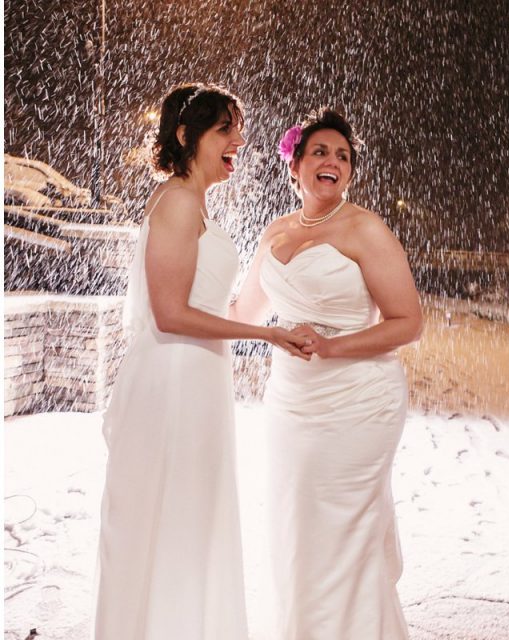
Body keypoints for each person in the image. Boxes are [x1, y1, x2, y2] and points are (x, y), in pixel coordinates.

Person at [94, 83, 308, 640]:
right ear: (187, 135)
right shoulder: (178, 201)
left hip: (198, 380)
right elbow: (170, 314)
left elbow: (218, 306)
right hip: (171, 383)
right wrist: (265, 335)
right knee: (168, 525)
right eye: (225, 130)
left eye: (240, 130)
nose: (239, 141)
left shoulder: (197, 203)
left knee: (190, 525)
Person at [230, 108, 423, 639]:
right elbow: (242, 313)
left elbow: (409, 322)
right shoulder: (275, 232)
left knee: (342, 530)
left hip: (358, 401)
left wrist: (332, 347)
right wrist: (181, 307)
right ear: (294, 166)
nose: (331, 161)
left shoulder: (365, 229)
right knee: (297, 524)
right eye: (319, 151)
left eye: (342, 155)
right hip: (290, 402)